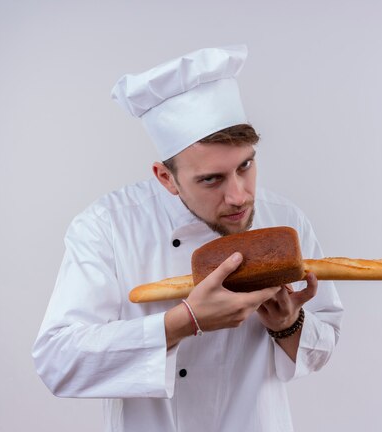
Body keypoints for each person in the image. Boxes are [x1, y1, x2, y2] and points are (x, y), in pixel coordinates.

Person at [32, 45, 343, 432]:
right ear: (166, 177)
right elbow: (58, 362)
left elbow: (323, 345)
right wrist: (183, 321)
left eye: (245, 165)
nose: (239, 196)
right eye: (211, 179)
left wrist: (288, 323)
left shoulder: (285, 221)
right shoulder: (106, 227)